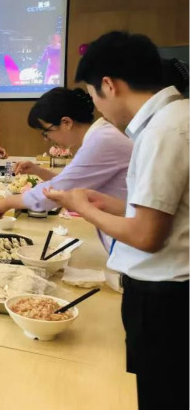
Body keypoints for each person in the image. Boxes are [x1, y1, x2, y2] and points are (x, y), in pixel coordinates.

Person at [44, 31, 188, 410]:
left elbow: (147, 234)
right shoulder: (174, 119)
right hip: (167, 292)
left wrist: (84, 207)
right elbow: (167, 213)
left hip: (164, 297)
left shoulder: (163, 131)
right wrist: (107, 204)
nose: (97, 106)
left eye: (93, 95)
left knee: (161, 395)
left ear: (109, 85)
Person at [0, 87, 133, 250]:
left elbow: (62, 187)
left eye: (46, 132)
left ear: (66, 123)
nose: (46, 139)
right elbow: (70, 182)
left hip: (129, 235)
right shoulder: (100, 134)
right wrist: (38, 171)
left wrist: (6, 203)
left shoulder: (101, 141)